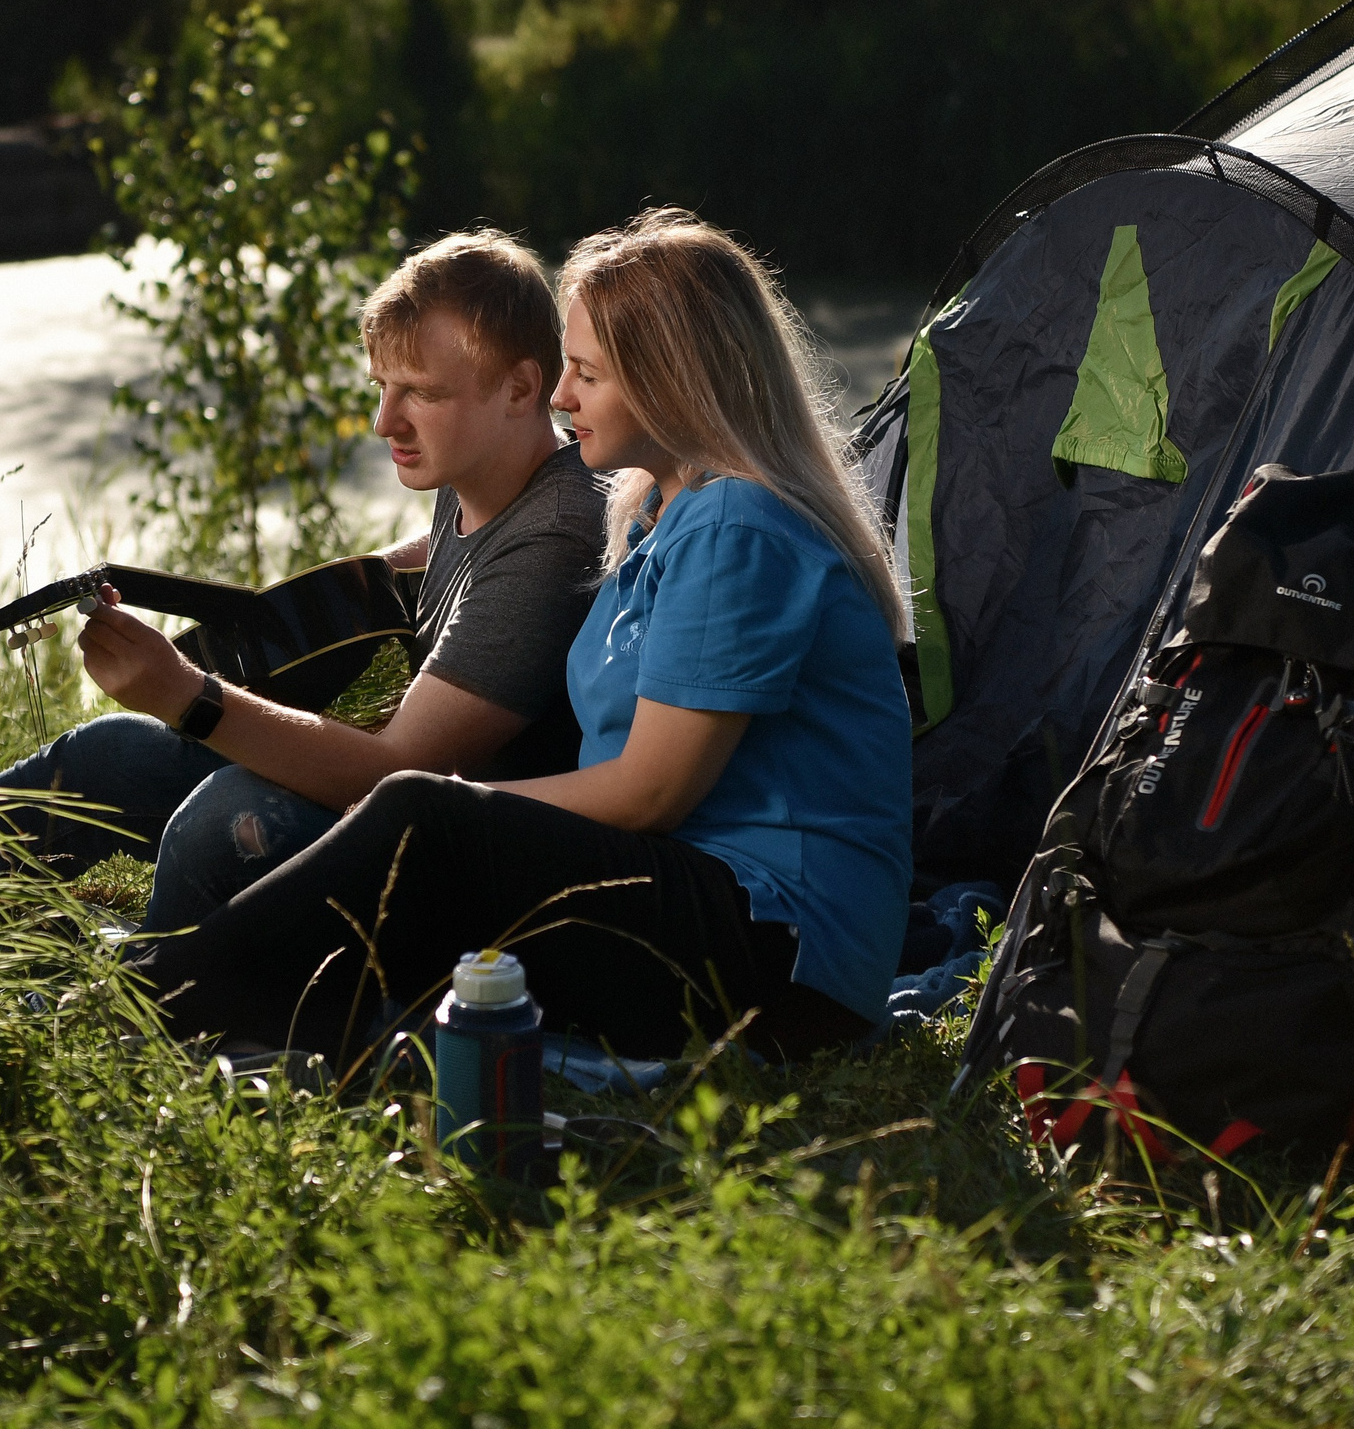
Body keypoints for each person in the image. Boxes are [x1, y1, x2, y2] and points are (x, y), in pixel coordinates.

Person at [110, 208, 914, 1062]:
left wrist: (460, 807)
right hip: (700, 904)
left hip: (779, 954)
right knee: (417, 846)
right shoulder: (660, 508)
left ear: (671, 379)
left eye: (586, 374)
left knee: (423, 815)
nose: (562, 398)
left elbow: (650, 794)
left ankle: (154, 1003)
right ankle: (247, 1015)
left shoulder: (737, 526)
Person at [0, 231, 608, 926]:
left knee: (225, 817)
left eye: (420, 392)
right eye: (382, 386)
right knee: (108, 753)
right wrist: (341, 589)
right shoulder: (488, 465)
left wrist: (185, 694)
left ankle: (155, 978)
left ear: (520, 388)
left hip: (471, 871)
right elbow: (448, 551)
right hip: (401, 814)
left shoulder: (555, 533)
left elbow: (398, 768)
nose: (385, 421)